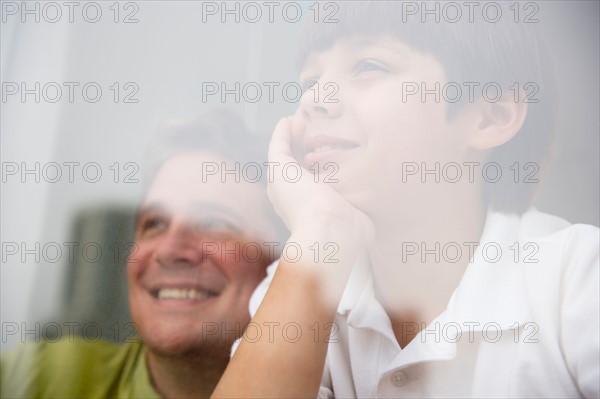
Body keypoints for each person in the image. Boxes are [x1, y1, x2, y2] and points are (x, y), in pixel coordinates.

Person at [213, 2, 600, 398]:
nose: (316, 100)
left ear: (489, 116)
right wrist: (322, 232)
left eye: (369, 66)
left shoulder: (580, 280)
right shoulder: (300, 280)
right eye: (310, 80)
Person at [1, 109, 281, 398]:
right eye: (155, 223)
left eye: (215, 223)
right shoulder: (52, 376)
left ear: (281, 264)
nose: (170, 250)